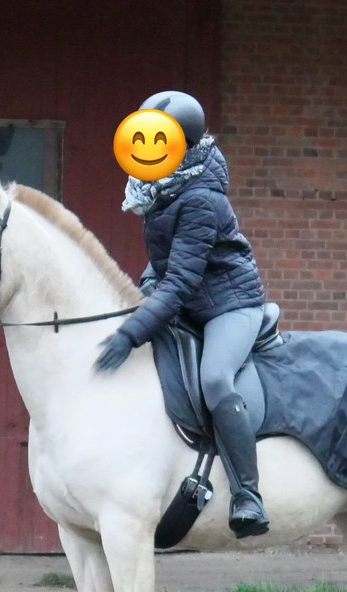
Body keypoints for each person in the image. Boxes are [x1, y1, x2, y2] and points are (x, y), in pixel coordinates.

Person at [94, 90, 270, 539]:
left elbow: (183, 277)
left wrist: (131, 332)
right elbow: (164, 262)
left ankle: (248, 495)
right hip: (188, 299)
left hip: (230, 305)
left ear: (181, 146)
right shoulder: (157, 190)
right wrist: (146, 290)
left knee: (214, 379)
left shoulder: (200, 200)